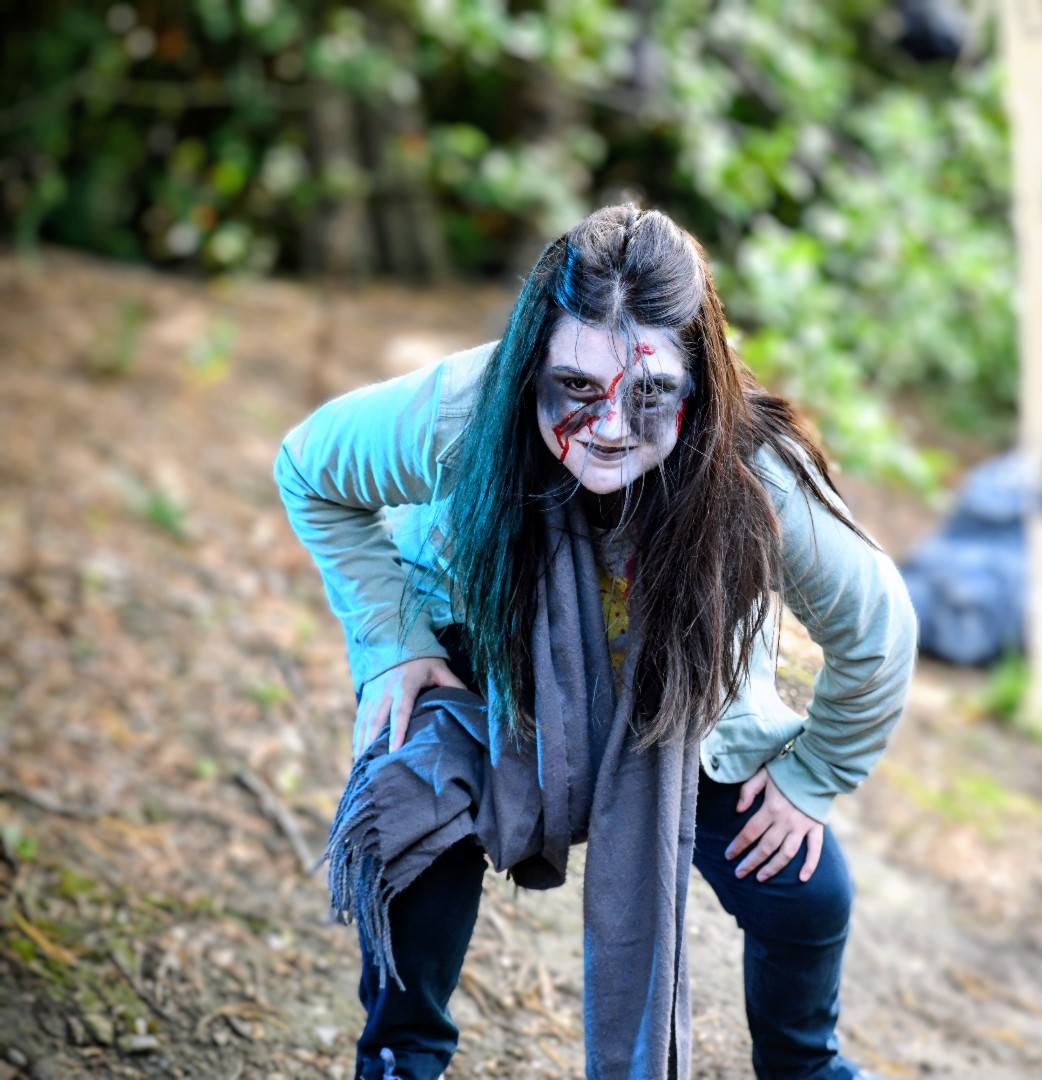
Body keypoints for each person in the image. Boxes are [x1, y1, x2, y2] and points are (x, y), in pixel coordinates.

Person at [272, 203, 918, 1080]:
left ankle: (805, 1067)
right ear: (532, 363)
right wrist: (392, 639)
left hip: (674, 700)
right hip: (488, 670)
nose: (610, 426)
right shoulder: (465, 412)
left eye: (649, 393)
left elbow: (878, 627)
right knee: (412, 819)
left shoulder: (752, 474)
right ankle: (400, 1055)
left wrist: (815, 777)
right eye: (576, 386)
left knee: (805, 893)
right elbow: (309, 468)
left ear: (699, 385)